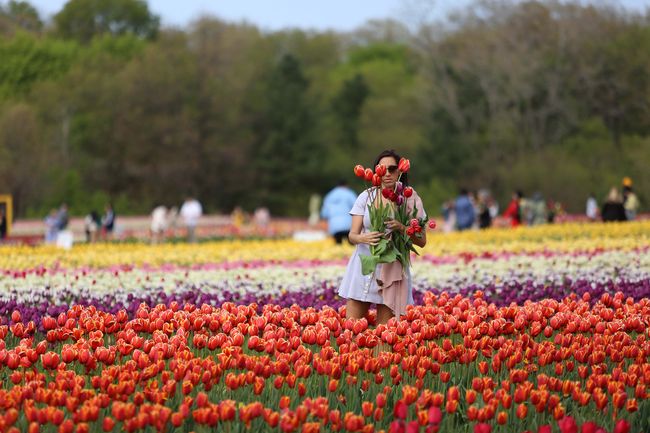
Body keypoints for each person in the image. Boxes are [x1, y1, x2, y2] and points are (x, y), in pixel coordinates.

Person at [339, 149, 427, 325]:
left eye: (392, 168)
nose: (387, 173)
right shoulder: (367, 196)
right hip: (364, 265)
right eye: (382, 168)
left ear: (400, 171)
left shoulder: (409, 198)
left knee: (385, 337)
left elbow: (422, 240)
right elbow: (352, 235)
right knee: (352, 330)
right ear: (376, 171)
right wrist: (362, 238)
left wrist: (402, 227)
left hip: (392, 270)